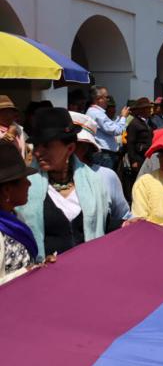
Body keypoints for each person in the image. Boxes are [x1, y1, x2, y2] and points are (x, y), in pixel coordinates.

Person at [16, 108, 108, 261]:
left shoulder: (94, 182)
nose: (37, 152)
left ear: (70, 148)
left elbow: (105, 222)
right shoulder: (25, 186)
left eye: (46, 146)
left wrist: (125, 223)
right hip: (45, 274)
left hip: (89, 268)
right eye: (36, 145)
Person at [69, 112, 131, 232]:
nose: (67, 151)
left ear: (86, 147)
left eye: (73, 146)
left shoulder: (106, 176)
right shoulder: (43, 181)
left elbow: (123, 216)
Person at [0, 143, 38, 284]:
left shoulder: (13, 218)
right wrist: (26, 272)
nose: (29, 184)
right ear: (7, 190)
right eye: (24, 180)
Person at [86, 86, 129, 170]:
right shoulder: (97, 113)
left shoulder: (95, 112)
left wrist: (120, 118)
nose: (108, 100)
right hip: (104, 154)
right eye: (106, 97)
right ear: (99, 99)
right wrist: (124, 117)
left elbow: (111, 127)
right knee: (105, 177)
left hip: (104, 153)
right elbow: (117, 130)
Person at [0, 95, 25, 159]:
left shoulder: (18, 128)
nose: (8, 115)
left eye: (10, 111)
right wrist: (9, 136)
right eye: (3, 112)